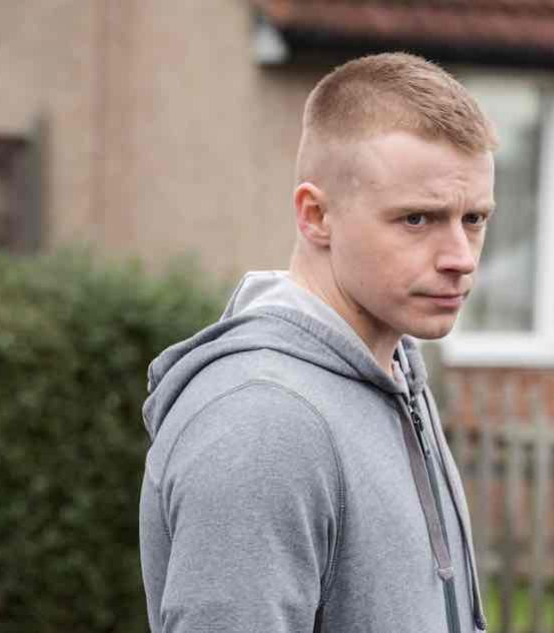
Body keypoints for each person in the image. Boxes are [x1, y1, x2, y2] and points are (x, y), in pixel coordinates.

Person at [139, 52, 497, 633]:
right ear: (315, 215)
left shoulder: (395, 374)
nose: (460, 257)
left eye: (474, 219)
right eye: (417, 219)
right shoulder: (265, 423)